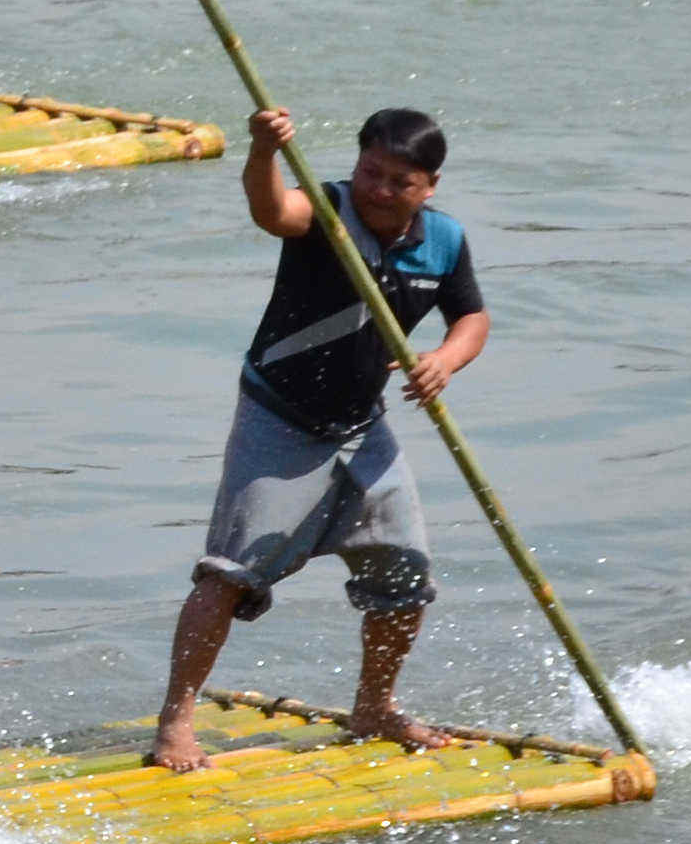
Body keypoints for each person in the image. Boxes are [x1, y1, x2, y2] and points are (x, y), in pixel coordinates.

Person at [148, 106, 488, 770]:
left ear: (430, 185)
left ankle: (374, 707)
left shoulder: (444, 240)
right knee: (228, 575)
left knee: (406, 575)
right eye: (370, 171)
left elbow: (471, 317)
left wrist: (445, 360)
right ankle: (175, 723)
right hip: (279, 418)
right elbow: (273, 211)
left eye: (399, 181)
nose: (379, 190)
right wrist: (262, 152)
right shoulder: (326, 210)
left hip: (364, 428)